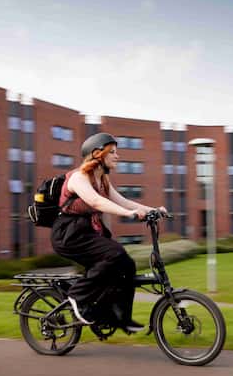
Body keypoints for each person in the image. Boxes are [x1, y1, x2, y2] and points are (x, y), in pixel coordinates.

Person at [51, 132, 165, 333]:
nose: (117, 156)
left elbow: (123, 201)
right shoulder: (78, 177)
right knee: (115, 254)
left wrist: (153, 210)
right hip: (69, 234)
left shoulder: (102, 180)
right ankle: (77, 295)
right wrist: (128, 214)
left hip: (88, 232)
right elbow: (96, 201)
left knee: (126, 265)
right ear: (97, 154)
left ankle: (120, 317)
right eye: (112, 152)